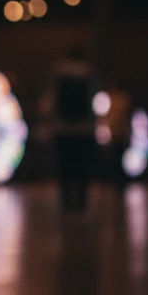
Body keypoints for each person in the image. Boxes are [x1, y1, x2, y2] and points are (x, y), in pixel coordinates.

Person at [45, 44, 98, 212]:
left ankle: (66, 202)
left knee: (64, 168)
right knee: (83, 168)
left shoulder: (58, 73)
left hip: (63, 128)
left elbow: (51, 100)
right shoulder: (89, 73)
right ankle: (81, 203)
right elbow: (94, 101)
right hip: (84, 129)